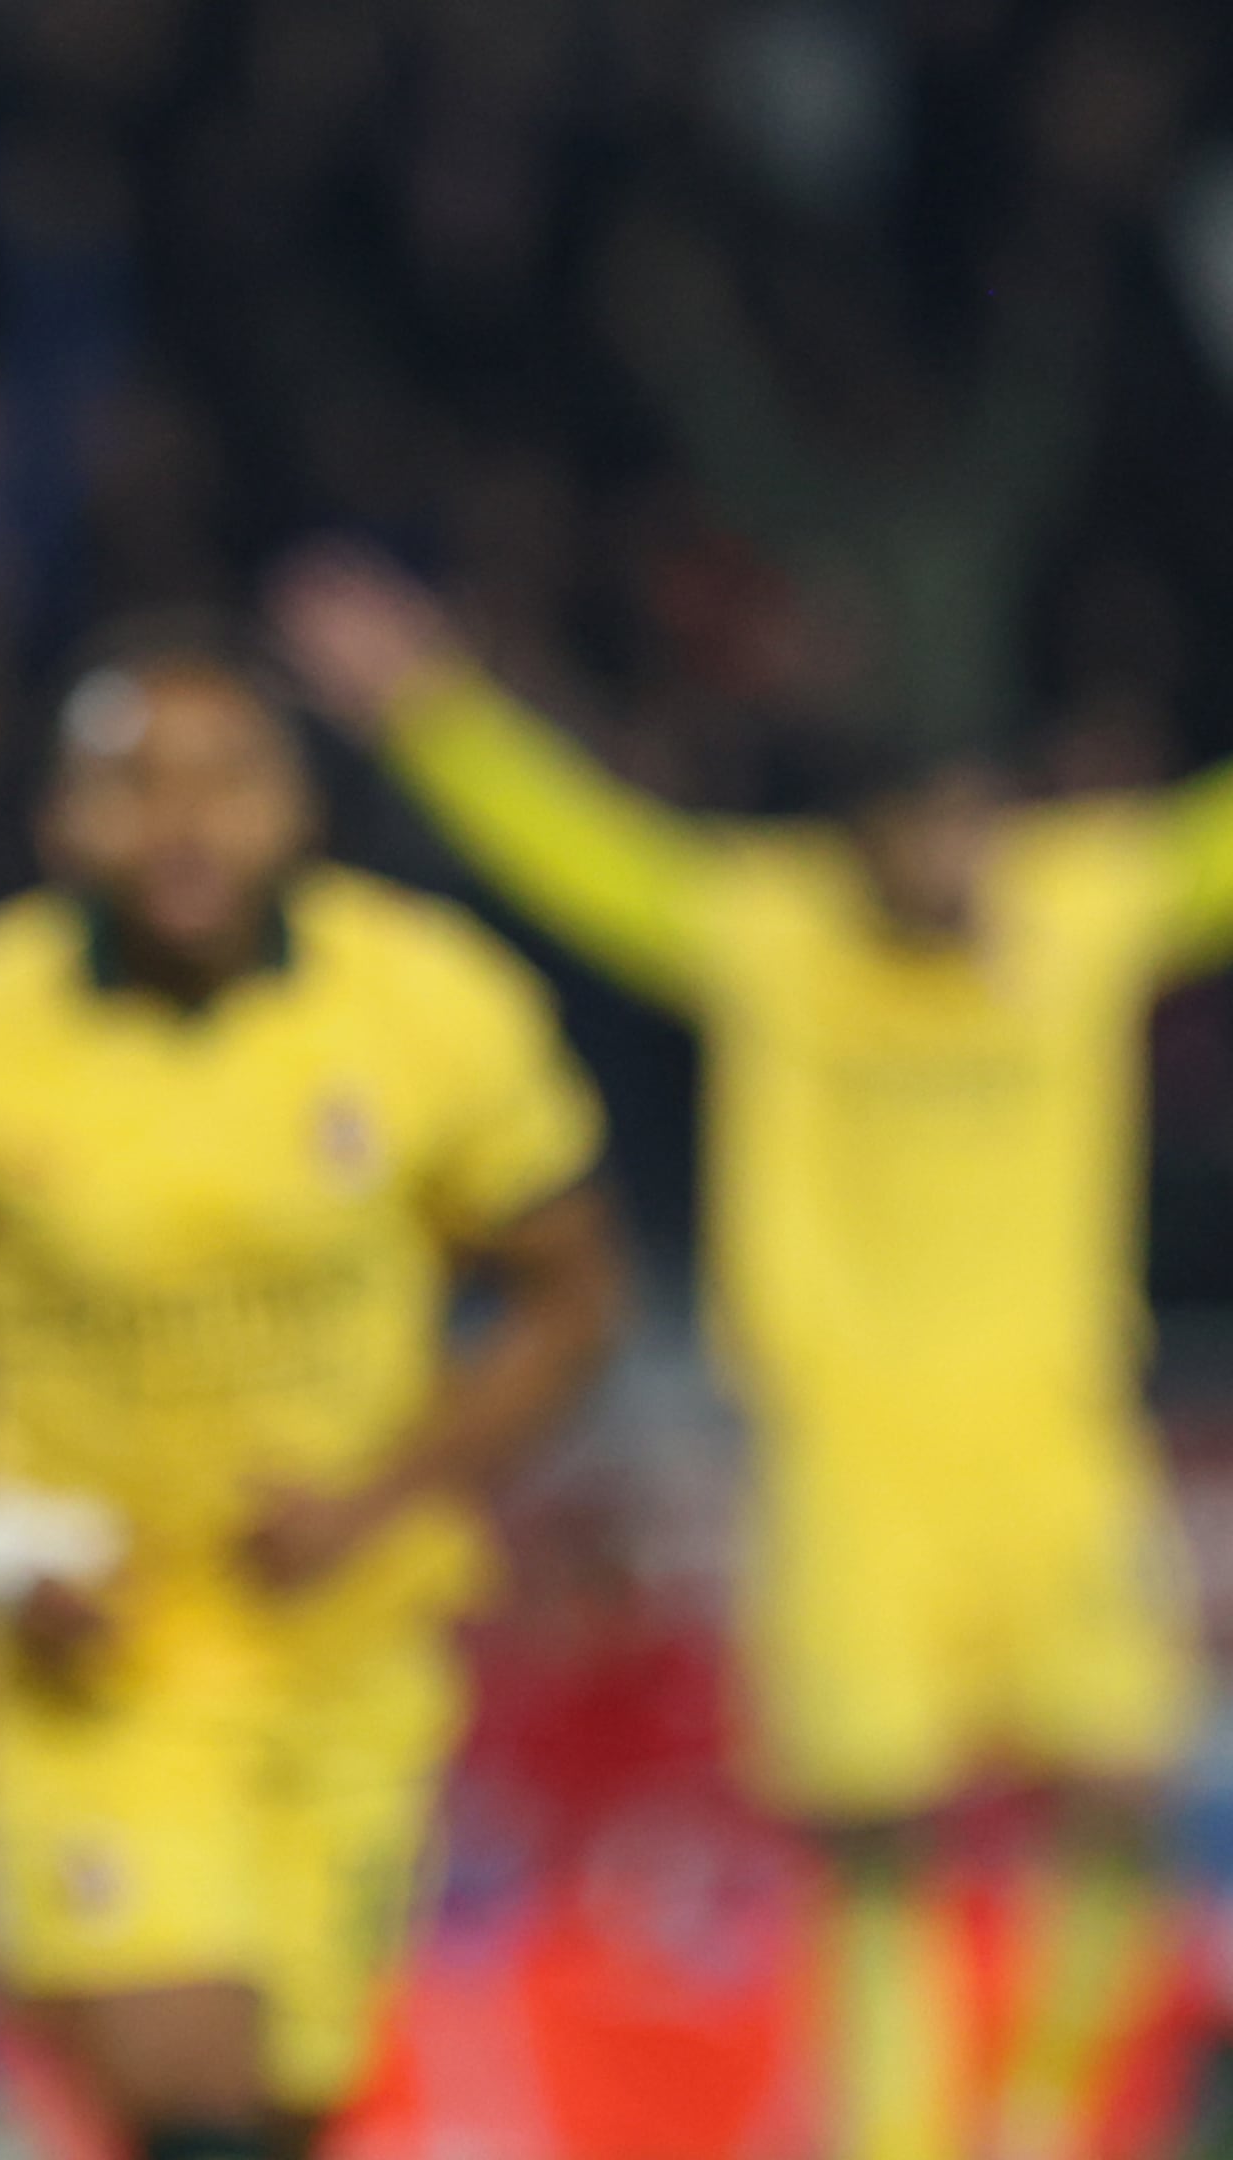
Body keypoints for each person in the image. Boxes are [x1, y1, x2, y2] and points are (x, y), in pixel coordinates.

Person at [274, 545, 1233, 2160]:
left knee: (1122, 1797)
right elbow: (586, 858)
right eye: (922, 834)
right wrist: (429, 711)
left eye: (977, 827)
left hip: (1056, 1443)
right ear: (857, 841)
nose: (957, 864)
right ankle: (905, 2137)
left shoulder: (1085, 906)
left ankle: (1058, 2119)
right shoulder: (774, 931)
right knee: (877, 1840)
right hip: (851, 1464)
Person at [0, 626, 627, 2160]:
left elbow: (574, 1289)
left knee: (290, 2103)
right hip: (102, 1649)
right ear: (59, 820)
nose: (181, 822)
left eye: (225, 778)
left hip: (352, 1637)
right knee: (194, 2090)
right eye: (131, 784)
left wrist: (386, 1496)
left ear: (295, 807)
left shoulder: (431, 1000)